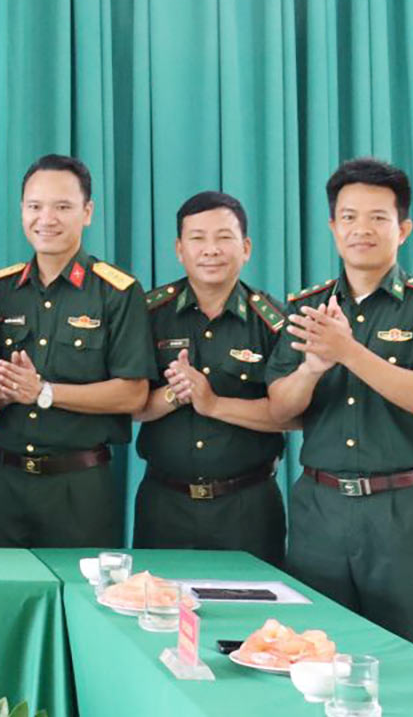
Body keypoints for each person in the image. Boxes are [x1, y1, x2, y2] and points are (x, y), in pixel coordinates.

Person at [266, 157, 413, 653]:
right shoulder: (307, 306)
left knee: (409, 658)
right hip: (320, 508)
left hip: (404, 508)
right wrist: (312, 368)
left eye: (378, 217)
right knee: (314, 652)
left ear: (404, 229)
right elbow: (279, 409)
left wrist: (348, 351)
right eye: (349, 217)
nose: (362, 229)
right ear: (333, 227)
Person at [0, 154, 151, 549]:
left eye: (62, 207)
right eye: (35, 207)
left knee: (80, 601)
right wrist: (3, 393)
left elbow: (133, 392)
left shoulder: (117, 292)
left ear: (87, 212)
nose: (46, 219)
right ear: (21, 210)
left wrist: (44, 391)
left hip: (80, 486)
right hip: (4, 483)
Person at [132, 191, 291, 563]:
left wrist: (214, 404)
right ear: (179, 248)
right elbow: (128, 406)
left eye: (224, 237)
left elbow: (292, 415)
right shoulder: (148, 314)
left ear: (246, 247)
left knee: (251, 617)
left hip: (248, 507)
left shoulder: (272, 321)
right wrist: (175, 393)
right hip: (164, 505)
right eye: (198, 238)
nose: (211, 250)